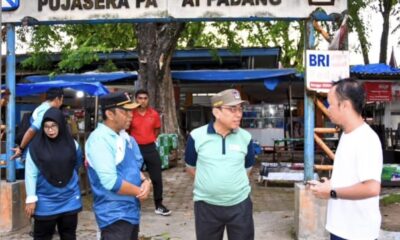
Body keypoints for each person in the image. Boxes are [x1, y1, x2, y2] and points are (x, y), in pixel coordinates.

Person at [309, 78, 383, 240]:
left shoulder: (366, 139)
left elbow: (371, 188)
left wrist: (332, 192)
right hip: (341, 228)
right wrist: (330, 185)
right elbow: (350, 177)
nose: (328, 109)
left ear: (345, 106)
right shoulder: (347, 134)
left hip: (357, 233)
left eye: (331, 104)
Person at [185, 89, 256, 240]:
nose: (239, 114)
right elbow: (190, 167)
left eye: (240, 109)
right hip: (206, 206)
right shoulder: (196, 136)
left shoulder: (246, 137)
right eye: (232, 109)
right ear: (216, 112)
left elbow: (247, 169)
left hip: (240, 205)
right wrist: (210, 184)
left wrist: (229, 185)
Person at [85, 91, 151, 240]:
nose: (130, 115)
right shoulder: (100, 140)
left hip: (130, 211)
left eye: (131, 111)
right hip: (114, 215)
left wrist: (145, 181)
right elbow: (111, 182)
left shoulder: (123, 136)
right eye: (125, 111)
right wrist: (140, 191)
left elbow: (133, 168)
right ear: (110, 114)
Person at [25, 107, 82, 240]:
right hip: (45, 200)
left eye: (54, 126)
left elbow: (76, 164)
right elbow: (30, 174)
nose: (50, 130)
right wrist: (31, 198)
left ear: (61, 125)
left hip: (70, 198)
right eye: (46, 127)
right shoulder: (35, 147)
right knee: (42, 236)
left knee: (69, 235)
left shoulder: (73, 144)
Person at [129, 89, 171, 216]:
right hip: (135, 149)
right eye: (140, 98)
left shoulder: (154, 114)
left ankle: (159, 205)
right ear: (136, 99)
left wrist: (149, 139)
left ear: (148, 100)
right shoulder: (131, 114)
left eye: (145, 98)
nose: (142, 100)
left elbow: (157, 129)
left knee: (157, 177)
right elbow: (127, 131)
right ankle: (132, 205)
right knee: (132, 177)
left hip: (150, 148)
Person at [12, 88, 64, 159]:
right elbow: (31, 131)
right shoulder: (46, 110)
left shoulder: (43, 106)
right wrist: (21, 149)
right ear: (57, 99)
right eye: (62, 100)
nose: (61, 103)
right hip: (33, 153)